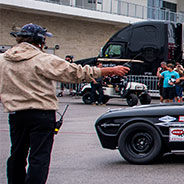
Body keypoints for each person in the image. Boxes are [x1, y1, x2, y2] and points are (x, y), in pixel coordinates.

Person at [2, 23, 129, 184]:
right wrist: (108, 71)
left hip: (16, 114)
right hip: (41, 113)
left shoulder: (4, 59)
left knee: (17, 154)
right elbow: (75, 73)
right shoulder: (43, 58)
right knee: (39, 157)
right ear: (40, 42)